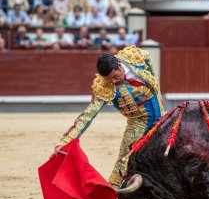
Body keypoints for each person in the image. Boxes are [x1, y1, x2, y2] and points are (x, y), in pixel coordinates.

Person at [54, 46, 164, 189]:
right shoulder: (104, 87)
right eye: (108, 79)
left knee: (169, 151)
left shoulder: (133, 55)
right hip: (138, 121)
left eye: (114, 76)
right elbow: (88, 116)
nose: (112, 81)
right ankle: (113, 192)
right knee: (124, 160)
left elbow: (148, 61)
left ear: (119, 66)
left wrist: (157, 88)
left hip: (160, 112)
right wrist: (66, 141)